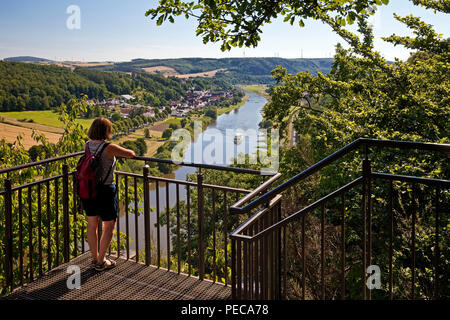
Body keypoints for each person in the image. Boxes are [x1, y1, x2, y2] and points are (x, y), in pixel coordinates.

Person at [81, 117, 135, 271]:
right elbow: (131, 153)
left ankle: (94, 258)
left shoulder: (87, 145)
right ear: (107, 131)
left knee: (91, 224)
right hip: (105, 190)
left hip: (88, 189)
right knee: (109, 225)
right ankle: (101, 261)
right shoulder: (109, 147)